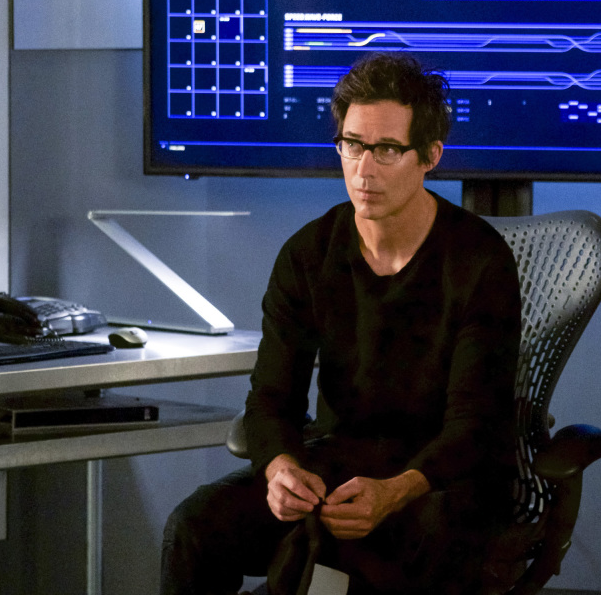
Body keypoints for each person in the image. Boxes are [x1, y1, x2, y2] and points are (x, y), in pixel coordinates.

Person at [162, 52, 521, 595]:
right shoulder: (308, 253)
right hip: (338, 464)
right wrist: (280, 469)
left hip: (439, 483)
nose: (364, 169)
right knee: (194, 528)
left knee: (349, 559)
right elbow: (270, 400)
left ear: (430, 156)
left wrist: (394, 492)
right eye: (353, 145)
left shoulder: (479, 260)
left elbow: (474, 427)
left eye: (387, 150)